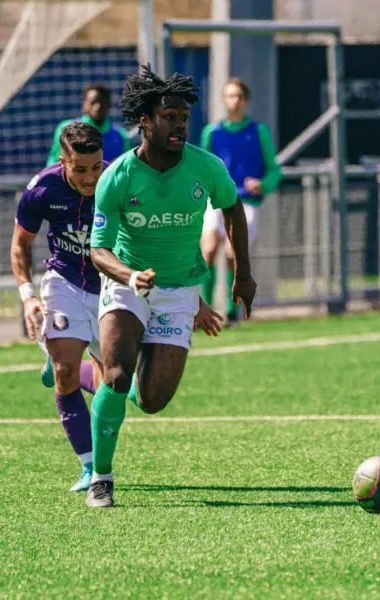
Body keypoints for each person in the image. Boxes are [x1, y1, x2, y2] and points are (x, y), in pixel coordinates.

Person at [85, 65, 257, 508]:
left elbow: (233, 209)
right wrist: (130, 276)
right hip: (126, 286)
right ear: (145, 121)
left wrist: (243, 274)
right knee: (118, 377)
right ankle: (101, 478)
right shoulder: (118, 176)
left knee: (153, 400)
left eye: (184, 118)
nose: (180, 125)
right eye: (169, 118)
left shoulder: (206, 167)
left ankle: (95, 374)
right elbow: (98, 250)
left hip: (179, 290)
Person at [11, 122, 107, 493]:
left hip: (110, 288)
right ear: (63, 161)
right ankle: (89, 466)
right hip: (63, 282)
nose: (90, 177)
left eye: (96, 167)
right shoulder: (42, 188)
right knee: (65, 372)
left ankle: (67, 362)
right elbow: (20, 246)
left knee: (118, 386)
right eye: (80, 169)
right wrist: (28, 296)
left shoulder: (118, 182)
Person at [199, 77, 282, 324]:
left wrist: (262, 184)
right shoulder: (212, 132)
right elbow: (202, 168)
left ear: (246, 101)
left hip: (245, 201)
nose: (234, 101)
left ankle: (231, 310)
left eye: (238, 96)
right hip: (216, 199)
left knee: (231, 253)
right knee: (208, 250)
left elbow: (274, 170)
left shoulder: (258, 131)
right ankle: (205, 310)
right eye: (229, 96)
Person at [46, 83, 135, 166]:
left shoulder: (121, 135)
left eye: (102, 102)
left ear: (109, 105)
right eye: (93, 102)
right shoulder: (66, 129)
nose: (97, 107)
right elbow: (53, 163)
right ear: (84, 104)